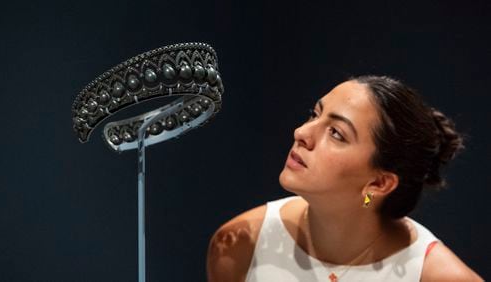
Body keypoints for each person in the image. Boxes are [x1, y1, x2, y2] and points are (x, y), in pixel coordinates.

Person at [206, 75, 484, 282]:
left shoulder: (441, 277)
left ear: (379, 183)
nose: (302, 133)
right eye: (314, 114)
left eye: (336, 133)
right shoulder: (238, 244)